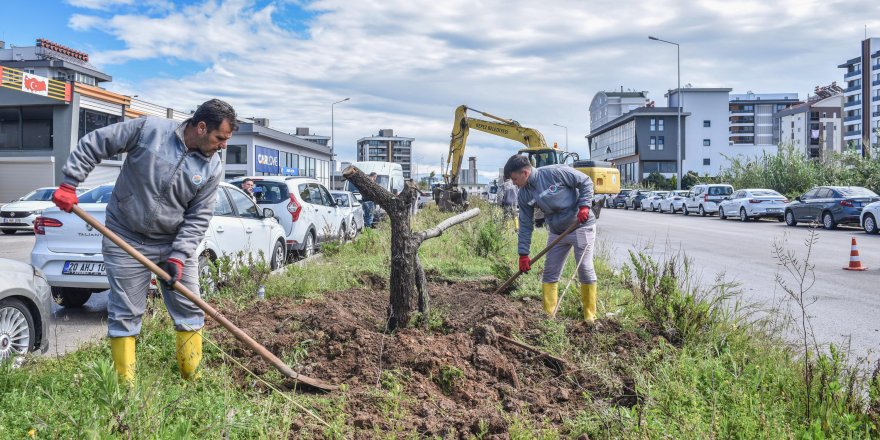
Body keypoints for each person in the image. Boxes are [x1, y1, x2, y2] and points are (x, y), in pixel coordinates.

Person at [51, 99, 237, 383]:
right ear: (201, 127)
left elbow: (198, 218)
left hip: (173, 242)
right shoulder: (149, 130)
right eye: (220, 138)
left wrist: (179, 256)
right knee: (125, 312)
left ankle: (192, 379)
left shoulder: (213, 167)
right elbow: (96, 142)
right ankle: (125, 393)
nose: (223, 145)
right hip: (125, 235)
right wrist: (69, 182)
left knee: (190, 308)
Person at [504, 154, 598, 321]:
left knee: (584, 268)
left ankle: (589, 317)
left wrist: (584, 206)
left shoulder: (555, 173)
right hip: (557, 232)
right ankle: (549, 317)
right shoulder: (524, 194)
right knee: (550, 272)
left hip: (580, 225)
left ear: (525, 173)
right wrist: (523, 254)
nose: (513, 183)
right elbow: (525, 225)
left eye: (515, 178)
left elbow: (586, 182)